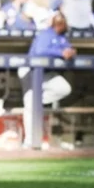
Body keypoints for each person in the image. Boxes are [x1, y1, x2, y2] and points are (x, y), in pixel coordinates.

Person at [20, 12, 75, 148]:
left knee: (64, 88)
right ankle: (29, 141)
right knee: (30, 105)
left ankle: (37, 100)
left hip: (46, 74)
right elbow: (40, 50)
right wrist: (60, 53)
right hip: (30, 71)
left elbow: (69, 49)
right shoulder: (46, 34)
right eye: (58, 22)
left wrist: (71, 52)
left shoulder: (62, 37)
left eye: (62, 22)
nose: (60, 24)